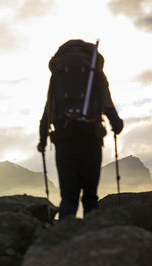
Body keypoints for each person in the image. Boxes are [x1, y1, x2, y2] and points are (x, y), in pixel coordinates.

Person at [37, 39, 124, 220]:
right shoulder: (94, 72)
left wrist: (42, 140)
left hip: (64, 140)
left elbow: (49, 109)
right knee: (90, 196)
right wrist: (116, 124)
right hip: (91, 138)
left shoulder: (58, 74)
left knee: (68, 197)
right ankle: (91, 240)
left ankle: (63, 239)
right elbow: (107, 103)